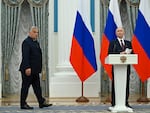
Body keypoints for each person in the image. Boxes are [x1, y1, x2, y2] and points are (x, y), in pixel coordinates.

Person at [19, 26, 52, 109]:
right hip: (28, 70)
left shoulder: (35, 42)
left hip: (35, 70)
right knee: (25, 87)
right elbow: (25, 56)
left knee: (37, 87)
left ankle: (41, 102)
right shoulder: (26, 42)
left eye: (37, 32)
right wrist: (27, 67)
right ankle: (23, 104)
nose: (36, 34)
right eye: (34, 32)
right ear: (30, 32)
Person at [108, 27, 132, 108]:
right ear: (116, 33)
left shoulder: (128, 43)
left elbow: (133, 54)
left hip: (126, 67)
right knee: (115, 84)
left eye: (121, 31)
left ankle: (125, 102)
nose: (120, 32)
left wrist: (127, 53)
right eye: (118, 31)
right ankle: (114, 102)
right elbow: (109, 53)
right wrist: (120, 53)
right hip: (116, 68)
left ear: (124, 32)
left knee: (126, 84)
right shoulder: (113, 43)